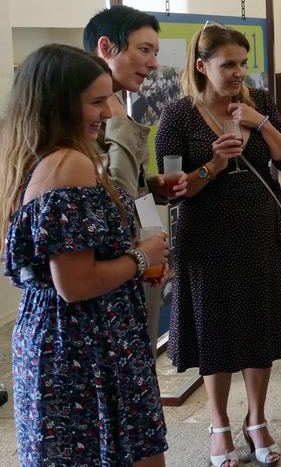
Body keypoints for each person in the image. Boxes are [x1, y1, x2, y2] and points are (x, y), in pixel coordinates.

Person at [1, 44, 169, 466]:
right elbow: (75, 284)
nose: (109, 112)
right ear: (59, 105)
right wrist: (140, 257)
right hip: (86, 344)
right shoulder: (69, 164)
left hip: (64, 337)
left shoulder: (33, 156)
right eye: (96, 102)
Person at [155, 22, 281, 466]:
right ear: (203, 66)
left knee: (260, 327)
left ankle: (257, 420)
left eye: (243, 63)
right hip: (207, 237)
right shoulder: (178, 116)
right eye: (228, 64)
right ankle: (219, 425)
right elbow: (173, 189)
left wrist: (262, 124)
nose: (239, 72)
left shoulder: (261, 103)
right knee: (214, 330)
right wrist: (214, 164)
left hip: (261, 231)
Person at [83, 4, 188, 349]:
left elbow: (129, 188)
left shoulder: (115, 108)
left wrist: (153, 186)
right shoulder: (88, 120)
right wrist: (117, 121)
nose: (154, 63)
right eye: (144, 50)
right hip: (108, 276)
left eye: (155, 52)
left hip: (138, 262)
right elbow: (116, 197)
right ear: (106, 47)